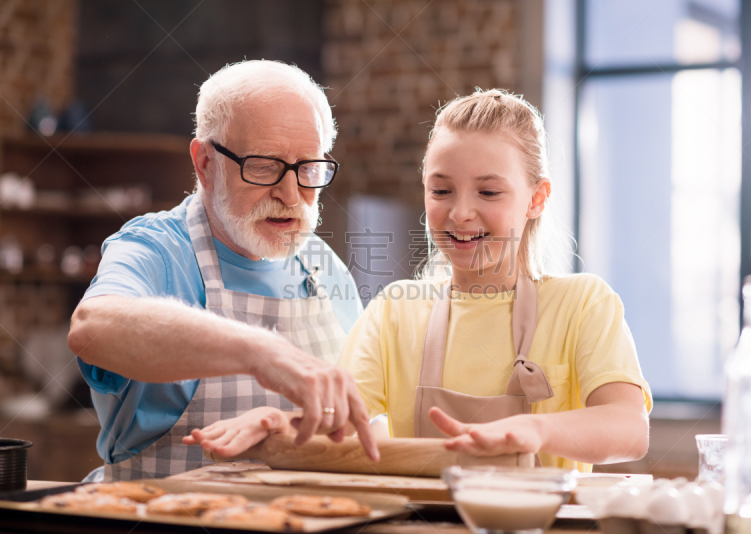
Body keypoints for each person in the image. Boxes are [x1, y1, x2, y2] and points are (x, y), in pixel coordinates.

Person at [189, 89, 651, 473]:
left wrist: (538, 430)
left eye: (488, 191)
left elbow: (629, 430)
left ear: (537, 198)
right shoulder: (396, 310)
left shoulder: (582, 304)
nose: (460, 212)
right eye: (441, 189)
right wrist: (279, 423)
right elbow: (341, 430)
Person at [67, 60, 379, 482]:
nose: (290, 195)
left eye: (307, 168)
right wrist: (262, 353)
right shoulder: (158, 249)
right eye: (264, 166)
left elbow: (361, 418)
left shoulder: (324, 268)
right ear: (205, 163)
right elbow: (92, 328)